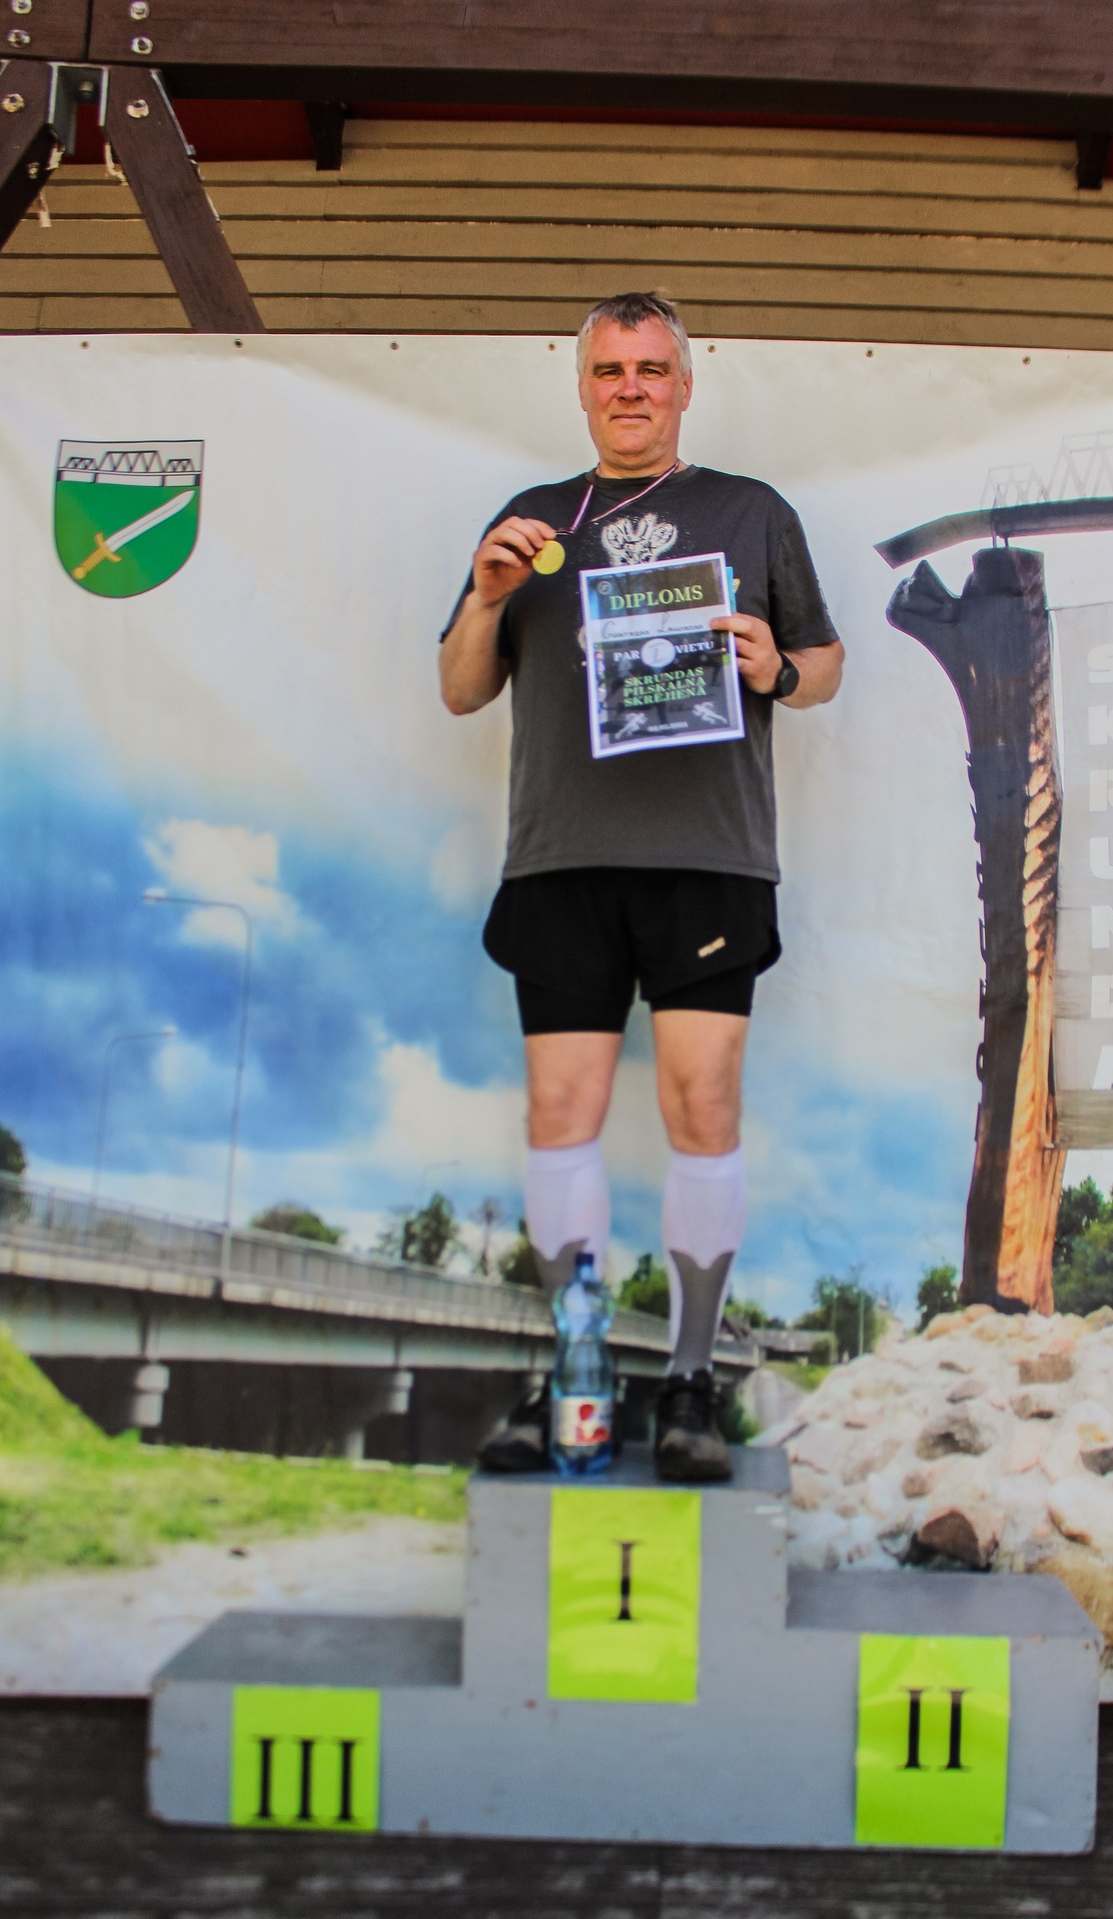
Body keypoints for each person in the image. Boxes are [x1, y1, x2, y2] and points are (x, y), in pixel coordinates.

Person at [440, 290, 843, 1481]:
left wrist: (777, 667)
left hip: (708, 861)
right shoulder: (527, 524)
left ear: (684, 385)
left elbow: (824, 663)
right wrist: (487, 595)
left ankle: (688, 1380)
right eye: (610, 369)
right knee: (557, 1114)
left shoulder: (751, 511)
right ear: (582, 387)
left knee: (701, 1107)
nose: (631, 387)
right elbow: (461, 688)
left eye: (651, 368)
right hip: (561, 859)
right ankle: (576, 1364)